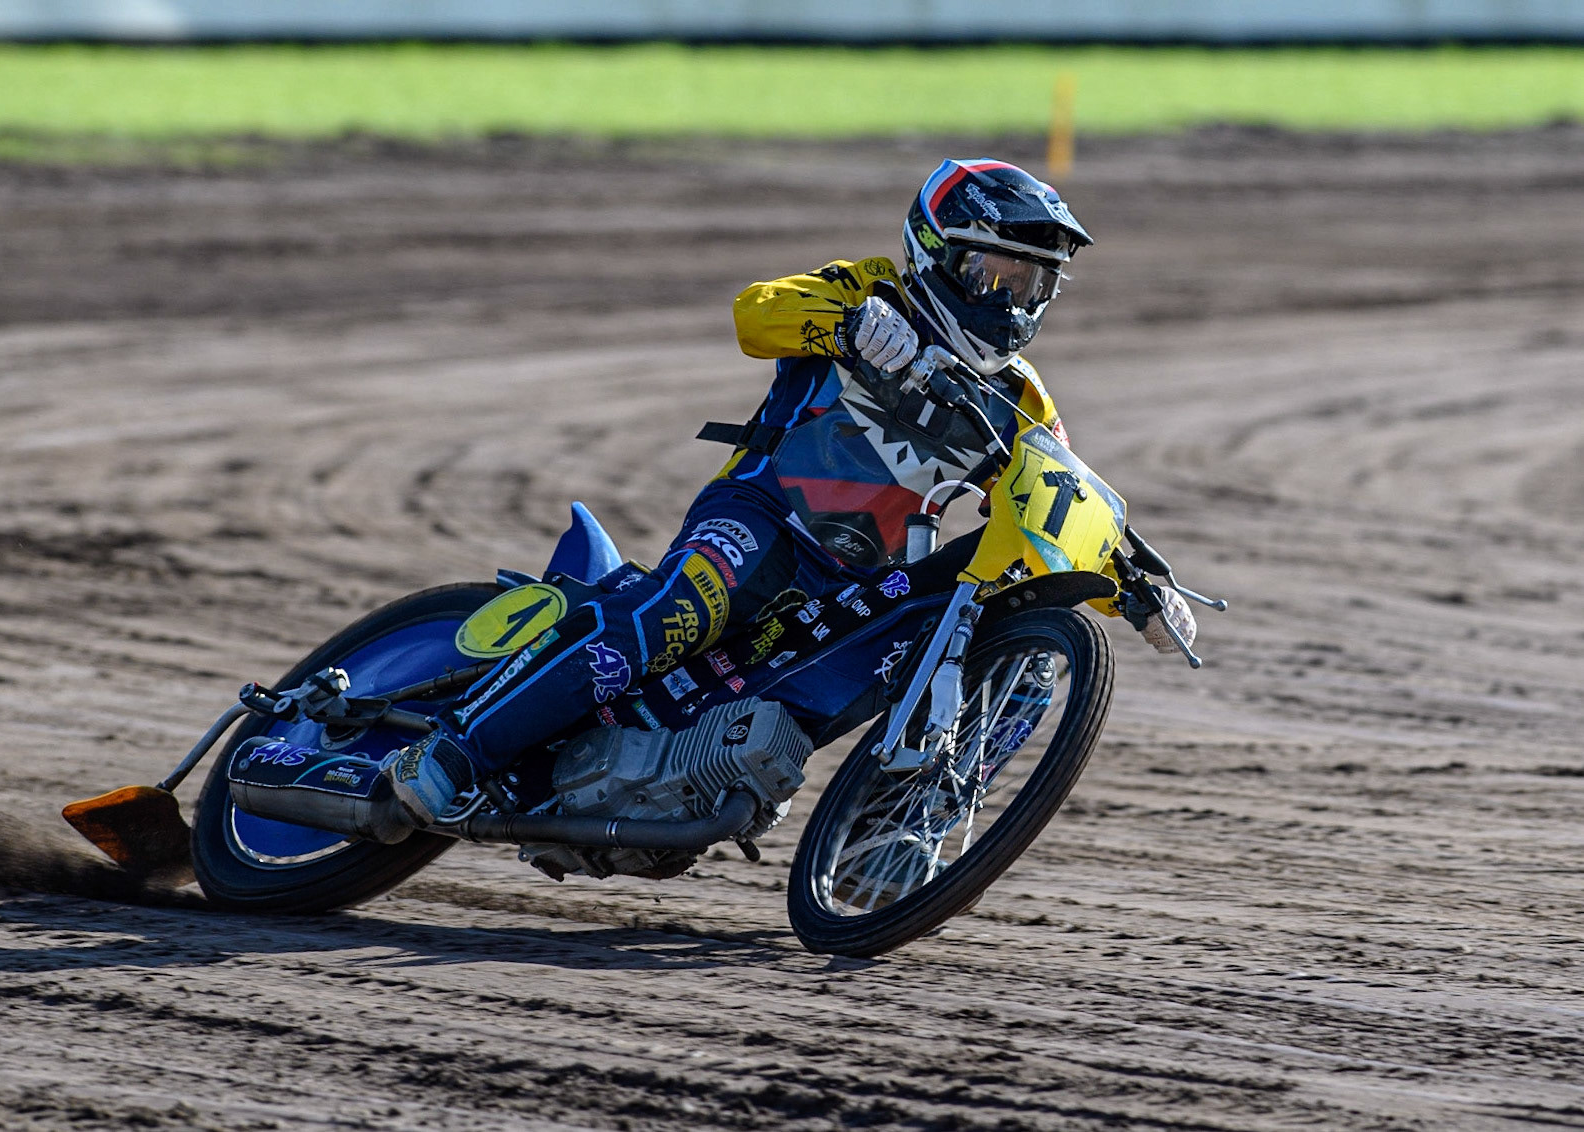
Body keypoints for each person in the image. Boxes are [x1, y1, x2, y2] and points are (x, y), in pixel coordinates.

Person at [383, 158, 1196, 826]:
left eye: (1033, 283)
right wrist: (848, 326)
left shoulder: (1022, 398)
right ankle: (458, 747)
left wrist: (1131, 584)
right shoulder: (873, 288)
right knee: (684, 608)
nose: (1013, 299)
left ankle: (896, 840)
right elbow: (755, 313)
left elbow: (1049, 503)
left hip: (860, 580)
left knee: (988, 641)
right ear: (938, 253)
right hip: (765, 515)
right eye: (997, 273)